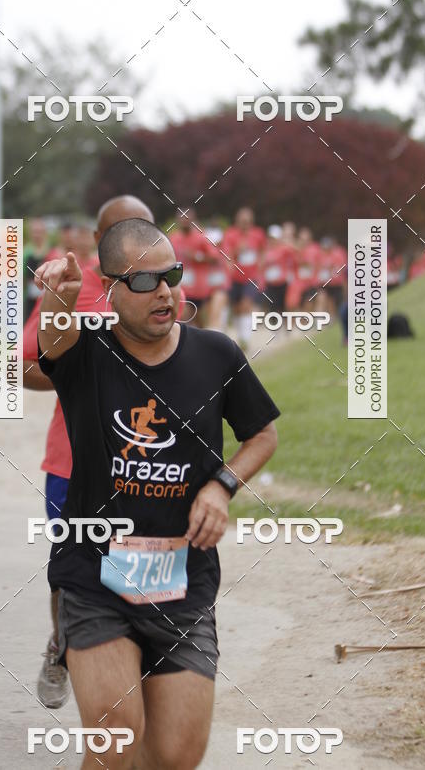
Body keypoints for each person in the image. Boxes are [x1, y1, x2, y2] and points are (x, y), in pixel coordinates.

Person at [35, 218, 279, 769]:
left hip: (183, 583)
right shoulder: (87, 353)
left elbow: (262, 434)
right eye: (144, 282)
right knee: (117, 736)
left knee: (174, 757)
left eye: (171, 275)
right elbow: (52, 341)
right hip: (95, 574)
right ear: (111, 289)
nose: (164, 291)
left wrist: (221, 487)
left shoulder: (217, 354)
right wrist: (56, 297)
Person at [22, 196, 155, 709]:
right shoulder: (69, 293)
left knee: (143, 565)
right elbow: (19, 368)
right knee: (69, 567)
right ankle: (61, 647)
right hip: (72, 462)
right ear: (100, 242)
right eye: (121, 229)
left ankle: (138, 664)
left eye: (141, 227)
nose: (134, 238)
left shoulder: (163, 290)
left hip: (148, 463)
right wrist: (75, 381)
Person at [222, 207, 266, 350]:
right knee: (237, 309)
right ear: (237, 221)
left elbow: (262, 251)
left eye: (248, 221)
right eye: (242, 221)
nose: (245, 224)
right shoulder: (230, 234)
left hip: (252, 277)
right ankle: (240, 335)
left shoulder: (258, 234)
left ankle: (245, 341)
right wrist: (237, 250)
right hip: (235, 278)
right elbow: (227, 255)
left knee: (246, 305)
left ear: (251, 221)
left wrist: (261, 269)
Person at [23, 218, 49, 319]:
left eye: (39, 232)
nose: (37, 235)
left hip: (48, 300)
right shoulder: (25, 253)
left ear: (44, 233)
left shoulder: (51, 251)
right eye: (34, 232)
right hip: (30, 300)